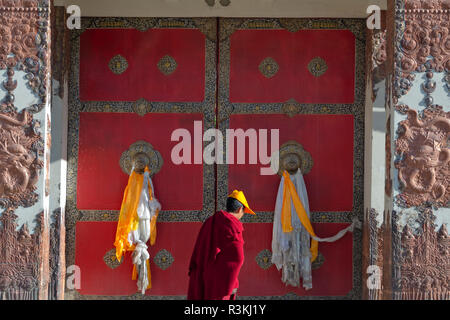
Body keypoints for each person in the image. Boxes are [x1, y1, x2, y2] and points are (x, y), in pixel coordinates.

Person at [187, 190, 255, 300]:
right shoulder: (233, 225)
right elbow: (238, 258)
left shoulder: (210, 221)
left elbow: (200, 249)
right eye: (243, 212)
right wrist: (230, 286)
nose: (242, 215)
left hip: (204, 275)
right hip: (221, 283)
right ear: (239, 209)